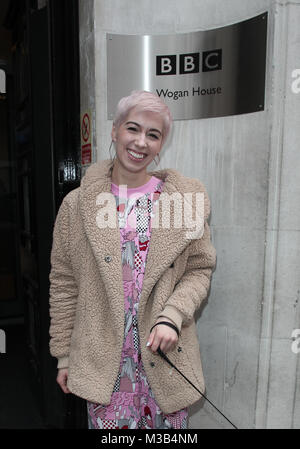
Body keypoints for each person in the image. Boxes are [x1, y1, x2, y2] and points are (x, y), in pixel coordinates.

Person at [49, 90, 216, 429]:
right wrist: (64, 355)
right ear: (115, 131)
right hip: (104, 366)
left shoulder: (181, 201)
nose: (141, 142)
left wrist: (173, 314)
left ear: (161, 143)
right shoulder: (76, 206)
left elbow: (199, 269)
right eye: (133, 129)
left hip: (164, 359)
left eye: (153, 135)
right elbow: (64, 285)